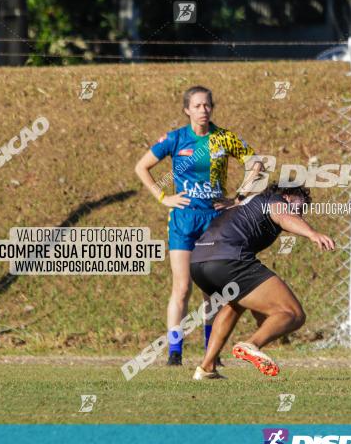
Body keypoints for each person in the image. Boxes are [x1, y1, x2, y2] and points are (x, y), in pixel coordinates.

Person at [134, 85, 264, 366]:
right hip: (183, 220)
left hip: (214, 222)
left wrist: (238, 198)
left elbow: (256, 163)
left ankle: (211, 354)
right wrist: (163, 197)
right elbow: (141, 167)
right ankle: (175, 352)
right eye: (197, 106)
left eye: (207, 105)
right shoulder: (176, 138)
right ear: (187, 110)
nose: (203, 110)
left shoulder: (224, 138)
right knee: (181, 288)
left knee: (213, 292)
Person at [189, 182, 335, 379]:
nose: (300, 213)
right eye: (300, 206)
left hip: (198, 263)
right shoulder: (274, 201)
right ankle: (251, 345)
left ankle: (206, 367)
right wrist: (312, 233)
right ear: (287, 195)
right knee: (293, 314)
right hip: (229, 260)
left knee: (235, 304)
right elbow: (283, 215)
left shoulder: (245, 205)